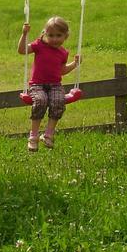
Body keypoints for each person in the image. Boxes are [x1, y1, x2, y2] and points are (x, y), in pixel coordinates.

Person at [17, 16, 81, 151]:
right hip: (37, 85)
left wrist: (75, 64)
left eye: (59, 35)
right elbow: (22, 50)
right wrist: (24, 34)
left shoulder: (63, 52)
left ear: (66, 36)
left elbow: (62, 71)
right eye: (51, 35)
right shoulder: (39, 45)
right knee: (40, 101)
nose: (55, 39)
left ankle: (48, 135)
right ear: (45, 33)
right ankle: (33, 137)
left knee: (58, 102)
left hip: (55, 85)